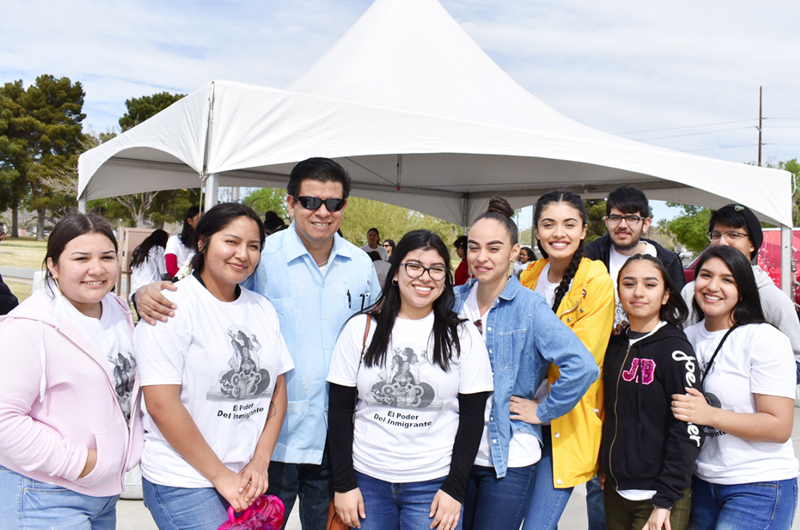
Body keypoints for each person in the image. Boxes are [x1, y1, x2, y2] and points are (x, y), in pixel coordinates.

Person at [135, 157, 381, 530]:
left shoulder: (361, 265)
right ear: (291, 202)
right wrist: (145, 292)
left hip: (335, 439)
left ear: (344, 206)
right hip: (264, 445)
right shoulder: (259, 257)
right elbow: (206, 291)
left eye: (333, 203)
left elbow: (380, 332)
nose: (322, 212)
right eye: (311, 201)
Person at [133, 203, 292, 529]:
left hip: (244, 477)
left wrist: (260, 463)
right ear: (203, 242)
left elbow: (278, 388)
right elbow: (161, 404)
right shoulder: (171, 306)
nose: (243, 254)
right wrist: (221, 476)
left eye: (253, 246)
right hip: (184, 479)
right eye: (231, 242)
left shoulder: (263, 309)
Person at [328, 229, 494, 530]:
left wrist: (455, 489)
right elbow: (339, 411)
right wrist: (343, 484)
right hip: (367, 482)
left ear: (445, 279)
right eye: (414, 266)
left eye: (436, 269)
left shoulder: (463, 335)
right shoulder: (360, 329)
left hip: (433, 486)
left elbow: (472, 418)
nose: (425, 276)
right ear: (395, 273)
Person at [455, 197, 599, 530]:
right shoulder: (454, 300)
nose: (481, 257)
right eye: (474, 247)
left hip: (509, 456)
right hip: (456, 453)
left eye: (494, 248)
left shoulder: (530, 306)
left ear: (514, 251)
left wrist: (543, 412)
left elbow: (583, 367)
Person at [0, 213, 143, 528]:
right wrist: (83, 463)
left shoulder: (119, 312)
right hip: (42, 495)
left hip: (104, 496)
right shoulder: (27, 328)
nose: (97, 269)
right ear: (53, 265)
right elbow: (4, 421)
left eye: (107, 257)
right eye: (81, 258)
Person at [672, 246, 799, 530]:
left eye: (727, 279)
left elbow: (779, 427)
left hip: (759, 484)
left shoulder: (764, 339)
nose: (713, 286)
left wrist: (709, 415)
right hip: (702, 482)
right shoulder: (685, 338)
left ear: (743, 289)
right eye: (706, 275)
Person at [519, 190, 614, 530]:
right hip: (521, 417)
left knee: (538, 525)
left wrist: (543, 410)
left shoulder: (596, 282)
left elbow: (582, 361)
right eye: (549, 224)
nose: (559, 233)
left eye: (569, 224)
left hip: (565, 417)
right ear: (537, 231)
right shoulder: (528, 275)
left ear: (584, 230)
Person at [599, 255, 702, 530]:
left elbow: (688, 429)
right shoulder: (614, 345)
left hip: (659, 497)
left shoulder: (675, 350)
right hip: (615, 490)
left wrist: (665, 499)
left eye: (650, 284)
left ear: (666, 295)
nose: (639, 292)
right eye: (629, 283)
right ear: (618, 291)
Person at [681, 203, 800, 381]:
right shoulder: (691, 291)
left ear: (752, 244)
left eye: (733, 235)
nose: (722, 242)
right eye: (716, 235)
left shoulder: (770, 297)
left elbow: (796, 361)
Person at [585, 186, 685, 331]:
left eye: (632, 218)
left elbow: (676, 315)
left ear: (645, 224)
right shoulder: (591, 257)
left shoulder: (668, 261)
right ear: (607, 222)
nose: (622, 225)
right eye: (615, 218)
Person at [129, 229, 169, 315]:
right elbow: (164, 273)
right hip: (150, 291)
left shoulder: (139, 250)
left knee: (141, 321)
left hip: (135, 292)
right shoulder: (158, 249)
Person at [165, 205, 200, 278]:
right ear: (189, 221)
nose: (202, 223)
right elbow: (171, 269)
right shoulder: (174, 240)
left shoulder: (203, 242)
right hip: (181, 284)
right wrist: (190, 280)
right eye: (199, 219)